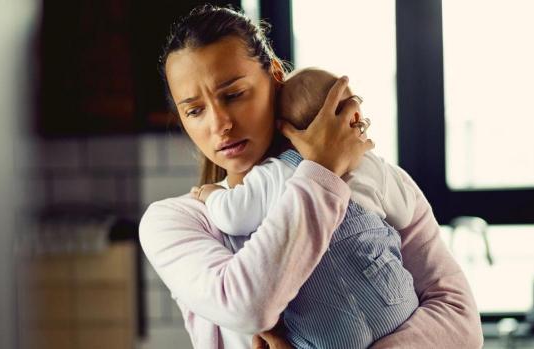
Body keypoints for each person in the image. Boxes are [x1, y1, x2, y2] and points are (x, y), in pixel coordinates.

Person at [139, 4, 483, 349]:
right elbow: (248, 306)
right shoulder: (175, 222)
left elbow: (461, 324)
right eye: (195, 110)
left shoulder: (373, 178)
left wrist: (323, 171)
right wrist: (320, 171)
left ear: (275, 76)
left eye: (233, 95)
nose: (219, 124)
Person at [190, 67, 420, 349]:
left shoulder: (273, 172)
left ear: (281, 128)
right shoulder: (372, 166)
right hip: (396, 305)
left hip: (328, 328)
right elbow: (406, 212)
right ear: (355, 117)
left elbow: (233, 217)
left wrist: (212, 194)